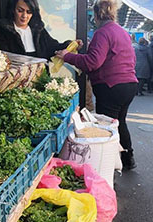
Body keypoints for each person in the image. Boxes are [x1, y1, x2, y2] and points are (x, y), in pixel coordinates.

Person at [56, 0, 138, 169]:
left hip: (111, 87)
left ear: (97, 15)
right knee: (119, 122)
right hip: (129, 85)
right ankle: (128, 159)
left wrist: (67, 56)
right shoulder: (121, 32)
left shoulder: (103, 32)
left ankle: (108, 169)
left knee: (105, 130)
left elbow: (93, 62)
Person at [0, 0, 80, 60]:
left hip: (40, 80)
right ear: (13, 10)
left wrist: (71, 44)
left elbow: (53, 47)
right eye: (20, 11)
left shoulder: (38, 30)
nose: (24, 16)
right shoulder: (3, 30)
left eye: (29, 12)